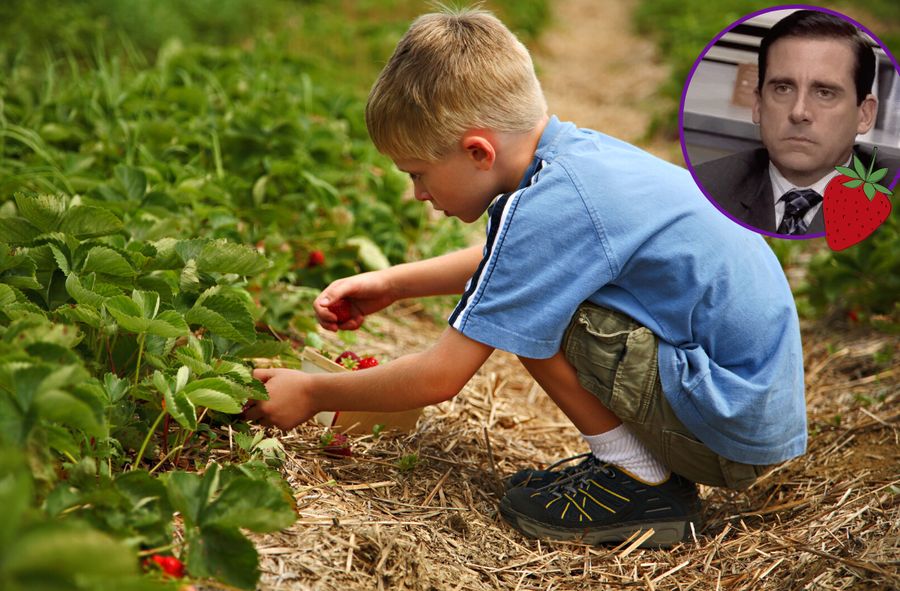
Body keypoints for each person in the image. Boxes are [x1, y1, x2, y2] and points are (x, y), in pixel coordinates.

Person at [245, 8, 807, 548]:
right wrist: (394, 283)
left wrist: (316, 392)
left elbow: (441, 378)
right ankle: (638, 467)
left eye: (418, 174)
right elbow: (520, 260)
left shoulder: (555, 203)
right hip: (744, 401)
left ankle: (640, 484)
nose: (418, 194)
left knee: (535, 318)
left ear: (477, 151)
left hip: (730, 427)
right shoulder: (576, 160)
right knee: (530, 295)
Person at [693, 9, 892, 236]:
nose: (799, 112)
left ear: (864, 115)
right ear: (758, 104)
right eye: (783, 89)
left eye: (825, 93)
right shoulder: (706, 190)